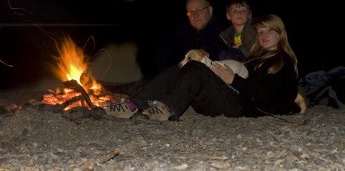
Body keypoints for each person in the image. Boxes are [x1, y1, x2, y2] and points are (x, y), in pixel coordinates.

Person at [104, 14, 301, 121]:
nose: (263, 36)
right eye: (260, 32)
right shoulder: (257, 58)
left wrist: (234, 80)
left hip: (244, 109)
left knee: (195, 69)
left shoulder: (283, 62)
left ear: (280, 34)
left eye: (269, 31)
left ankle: (166, 109)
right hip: (233, 100)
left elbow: (269, 97)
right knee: (188, 65)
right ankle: (133, 104)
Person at [152, 0, 227, 76]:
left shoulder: (225, 32)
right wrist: (165, 75)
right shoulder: (182, 31)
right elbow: (161, 48)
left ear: (210, 10)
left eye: (199, 10)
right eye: (191, 12)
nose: (195, 15)